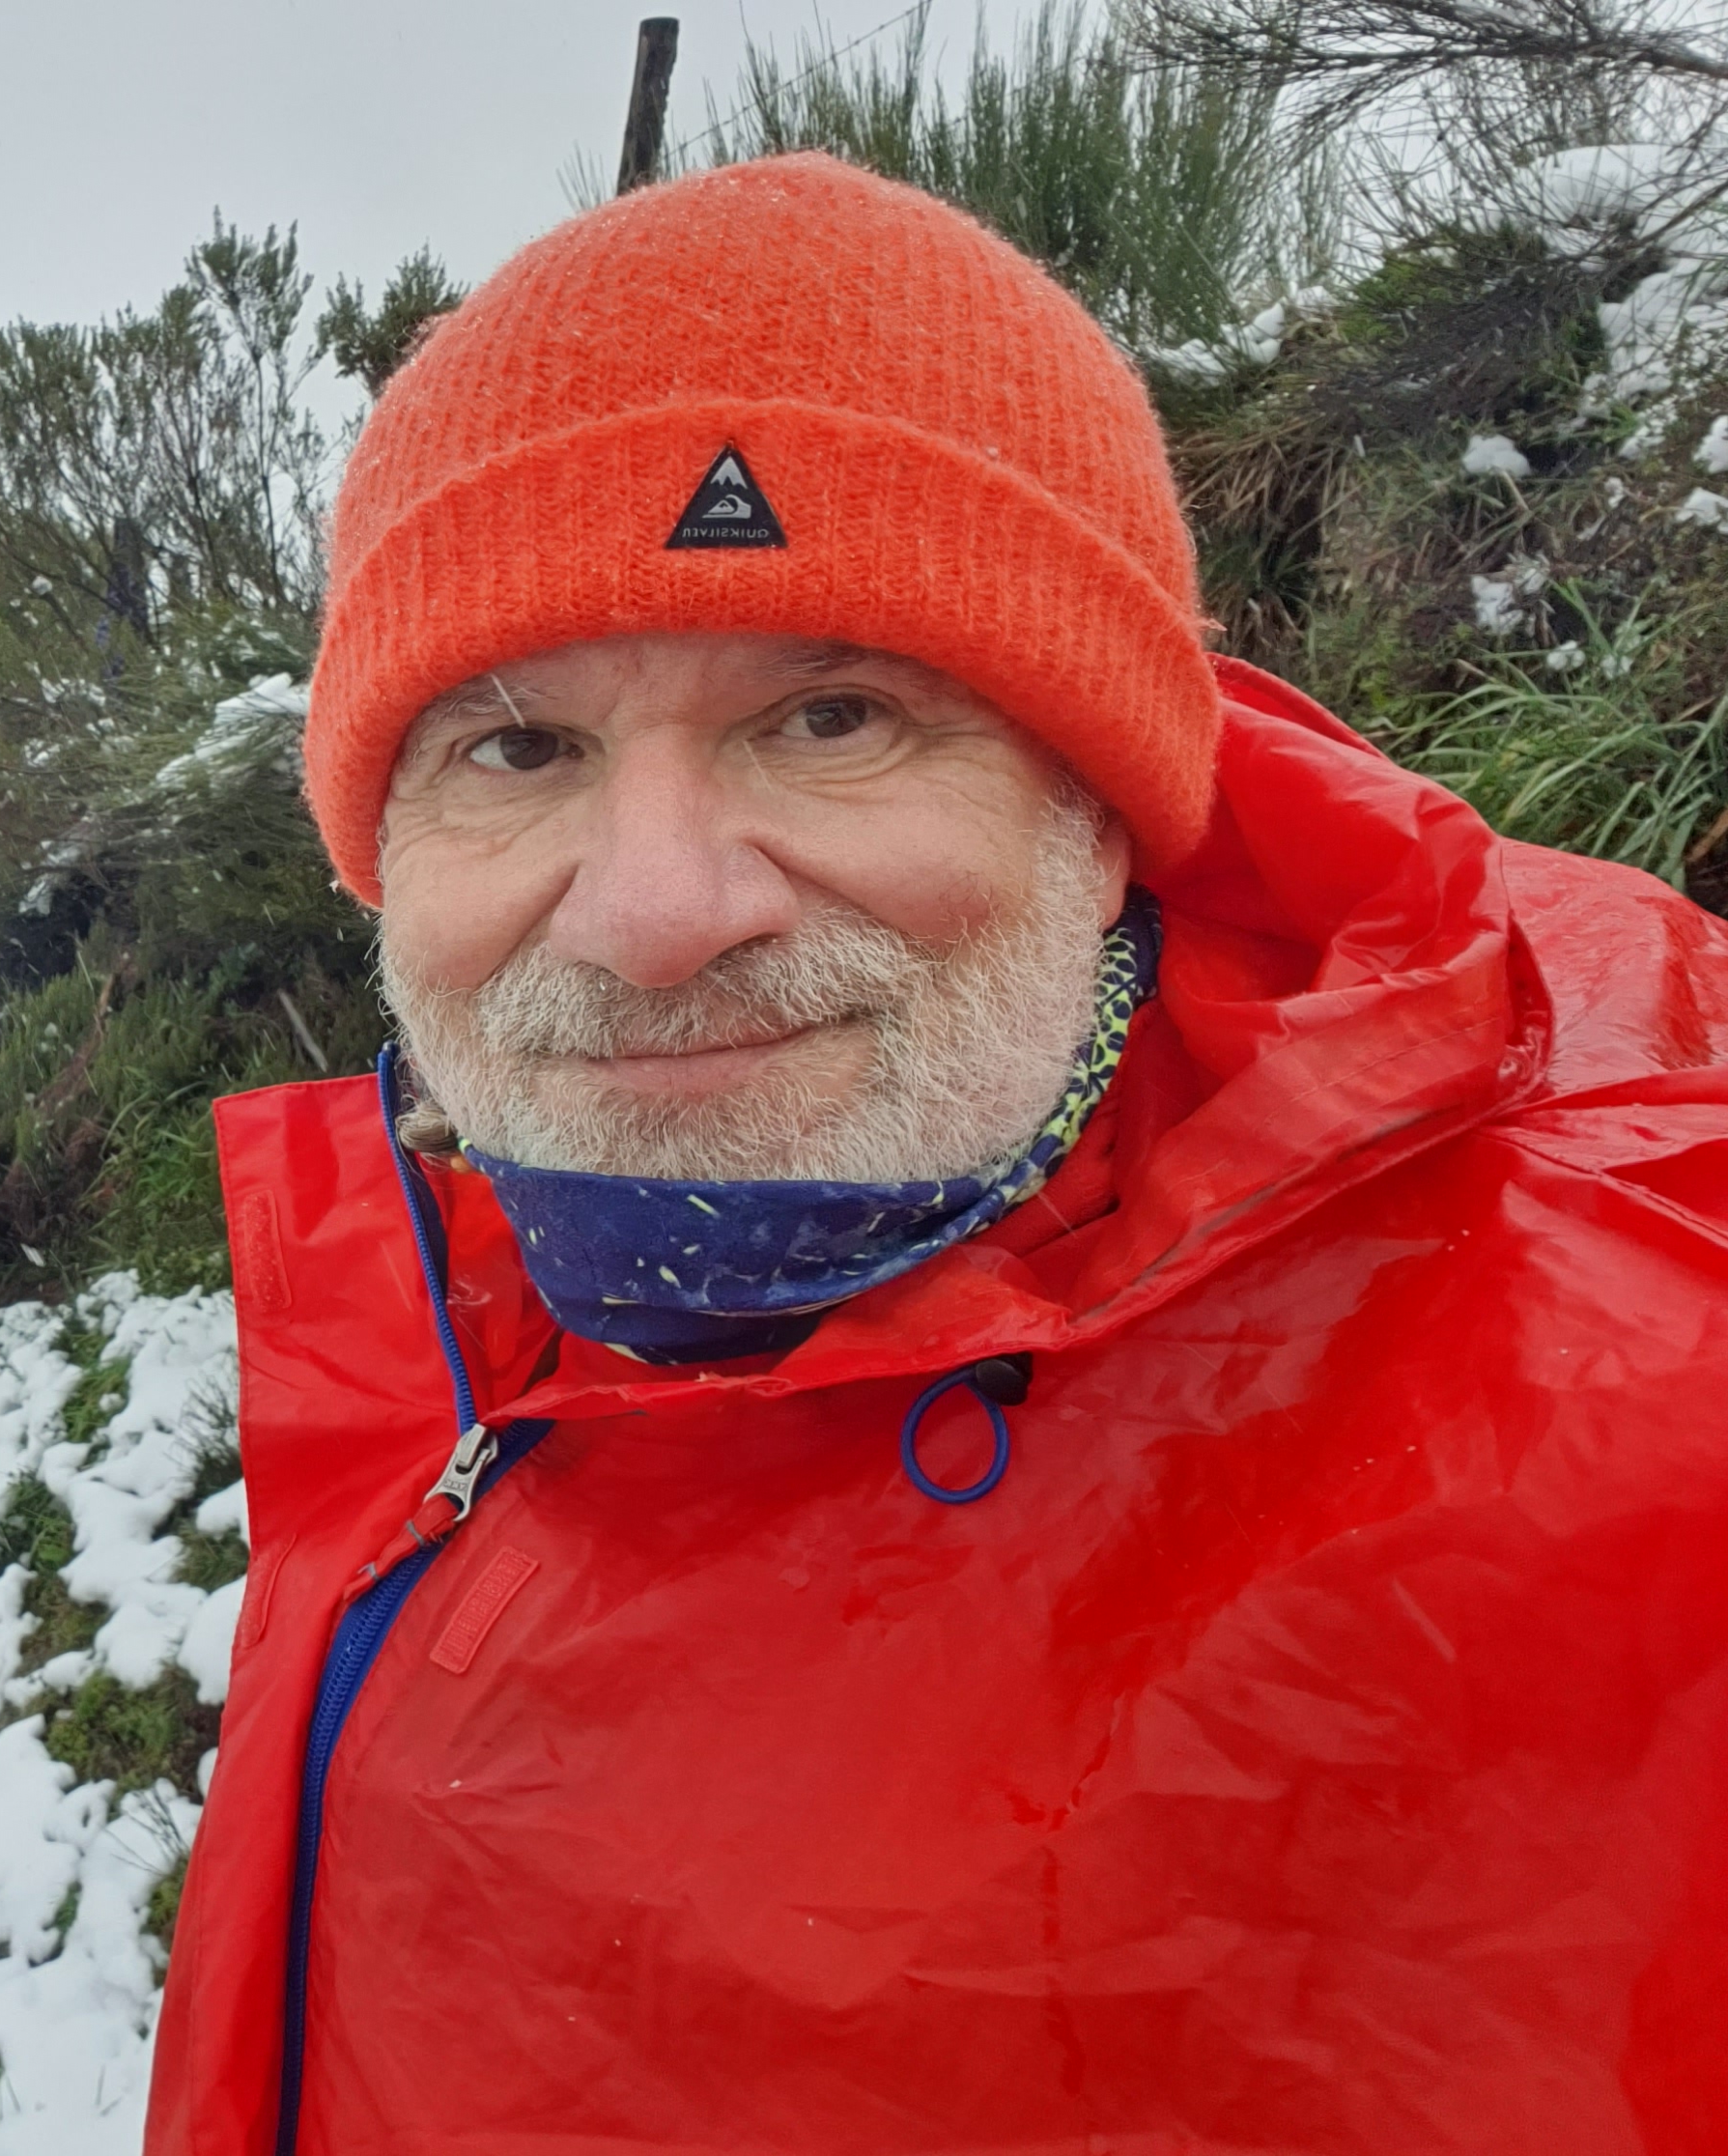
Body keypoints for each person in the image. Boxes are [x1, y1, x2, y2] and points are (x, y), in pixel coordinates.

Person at [148, 153, 1728, 2154]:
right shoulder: (429, 1303)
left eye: (832, 716)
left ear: (1105, 804)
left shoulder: (1655, 1395)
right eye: (517, 748)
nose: (654, 914)